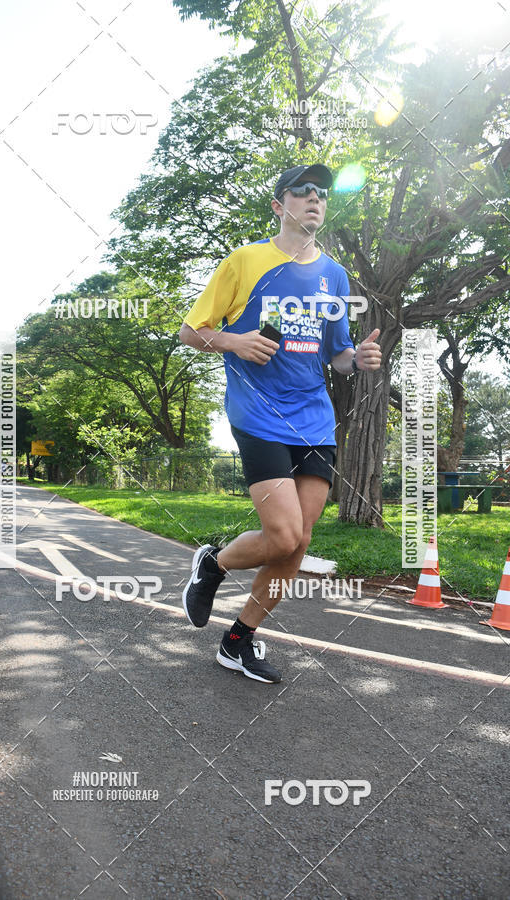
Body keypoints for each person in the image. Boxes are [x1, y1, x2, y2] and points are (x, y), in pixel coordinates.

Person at [179, 163, 382, 684]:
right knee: (283, 533)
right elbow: (191, 331)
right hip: (258, 413)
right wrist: (234, 341)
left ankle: (237, 640)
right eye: (303, 191)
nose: (315, 199)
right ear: (279, 205)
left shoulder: (334, 276)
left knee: (299, 541)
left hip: (314, 419)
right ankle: (214, 564)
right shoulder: (245, 261)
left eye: (322, 194)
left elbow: (336, 355)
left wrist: (357, 360)